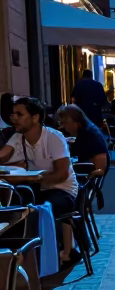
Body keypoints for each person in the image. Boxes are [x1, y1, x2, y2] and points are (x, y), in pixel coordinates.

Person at [0, 97, 78, 262]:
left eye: (19, 114)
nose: (13, 118)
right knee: (14, 209)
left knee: (40, 210)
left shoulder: (54, 137)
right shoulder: (17, 137)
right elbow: (2, 156)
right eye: (13, 114)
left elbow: (62, 174)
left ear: (35, 117)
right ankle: (17, 258)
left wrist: (34, 178)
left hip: (63, 190)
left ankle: (45, 259)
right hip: (37, 188)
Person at [56, 105, 108, 174]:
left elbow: (100, 169)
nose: (63, 127)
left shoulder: (89, 134)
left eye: (65, 123)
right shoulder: (86, 131)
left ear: (75, 122)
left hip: (84, 175)